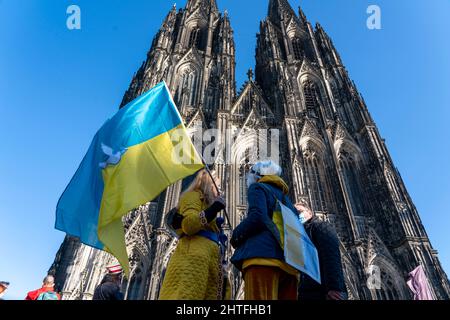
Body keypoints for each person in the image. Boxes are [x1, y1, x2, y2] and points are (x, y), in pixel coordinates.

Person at [230, 160, 299, 300]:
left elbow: (258, 217)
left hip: (262, 260)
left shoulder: (258, 188)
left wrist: (236, 235)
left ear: (258, 175)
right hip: (289, 266)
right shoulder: (286, 199)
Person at [159, 169, 227, 300]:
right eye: (217, 186)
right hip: (193, 262)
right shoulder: (193, 196)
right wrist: (214, 209)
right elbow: (189, 225)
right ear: (208, 184)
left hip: (207, 262)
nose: (219, 191)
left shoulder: (204, 203)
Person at [295, 202, 348, 300]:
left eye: (300, 211)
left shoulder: (321, 226)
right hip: (309, 291)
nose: (298, 214)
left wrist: (334, 288)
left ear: (310, 212)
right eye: (295, 213)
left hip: (326, 292)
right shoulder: (301, 234)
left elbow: (331, 257)